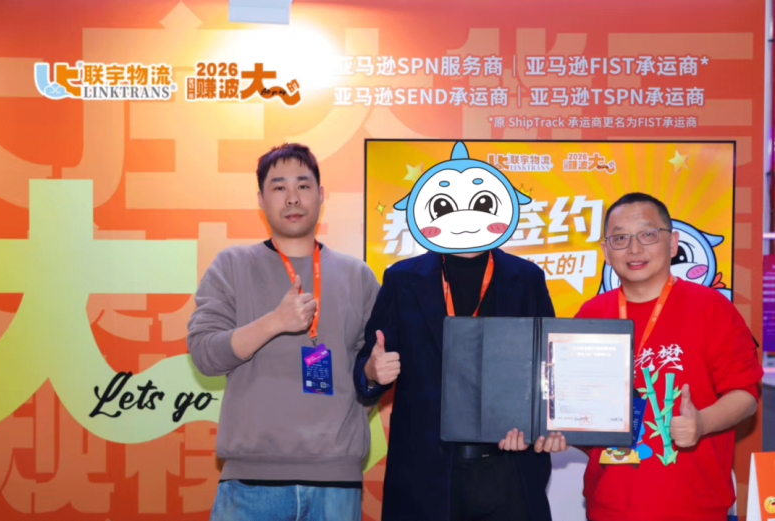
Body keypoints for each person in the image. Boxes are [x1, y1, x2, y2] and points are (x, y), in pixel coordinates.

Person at [187, 143, 380, 521]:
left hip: (336, 481)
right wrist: (274, 322)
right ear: (260, 199)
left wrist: (360, 395)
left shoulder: (357, 275)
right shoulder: (232, 265)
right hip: (251, 482)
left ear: (321, 195)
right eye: (279, 187)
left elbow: (369, 373)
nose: (292, 198)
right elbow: (205, 354)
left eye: (303, 186)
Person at [575, 192, 762, 521]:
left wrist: (702, 423)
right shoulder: (591, 314)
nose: (634, 249)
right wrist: (560, 430)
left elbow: (745, 396)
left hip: (695, 506)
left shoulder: (712, 308)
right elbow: (573, 404)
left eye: (648, 234)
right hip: (609, 505)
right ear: (606, 251)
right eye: (620, 238)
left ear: (673, 243)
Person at [355, 247, 566, 521]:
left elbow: (549, 366)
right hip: (424, 474)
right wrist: (372, 372)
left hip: (511, 468)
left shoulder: (526, 277)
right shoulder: (402, 278)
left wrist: (547, 426)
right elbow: (368, 363)